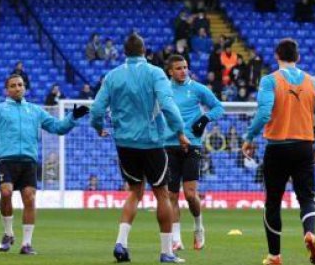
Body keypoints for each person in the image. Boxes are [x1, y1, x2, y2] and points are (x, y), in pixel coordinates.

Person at [89, 34, 187, 264]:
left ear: (124, 52)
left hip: (125, 144)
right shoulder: (155, 73)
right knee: (162, 193)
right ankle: (166, 252)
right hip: (151, 142)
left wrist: (97, 127)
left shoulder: (112, 76)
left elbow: (96, 110)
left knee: (134, 192)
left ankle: (121, 242)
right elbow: (168, 105)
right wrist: (180, 132)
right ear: (145, 51)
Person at [0, 74, 87, 254]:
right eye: (13, 85)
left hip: (28, 161)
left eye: (20, 85)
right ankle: (8, 232)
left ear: (24, 87)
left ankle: (26, 244)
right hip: (6, 159)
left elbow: (58, 128)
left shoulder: (35, 111)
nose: (17, 88)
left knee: (29, 198)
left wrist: (73, 117)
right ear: (7, 90)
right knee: (6, 192)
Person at [242, 38, 315, 265]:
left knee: (273, 203)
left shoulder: (270, 81)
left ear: (276, 56)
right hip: (303, 147)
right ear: (297, 57)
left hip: (277, 148)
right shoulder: (313, 83)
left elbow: (263, 114)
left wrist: (249, 137)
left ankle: (274, 256)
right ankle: (309, 232)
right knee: (307, 199)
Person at [163, 55, 223, 252]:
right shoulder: (163, 89)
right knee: (171, 195)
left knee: (189, 195)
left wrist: (205, 119)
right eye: (178, 68)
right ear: (170, 71)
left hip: (192, 145)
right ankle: (176, 238)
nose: (183, 71)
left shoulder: (197, 88)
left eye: (185, 67)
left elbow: (218, 107)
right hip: (169, 145)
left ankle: (198, 227)